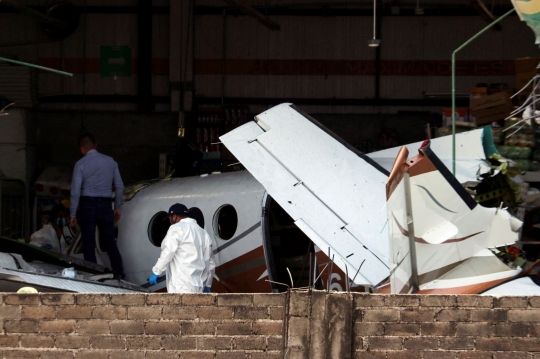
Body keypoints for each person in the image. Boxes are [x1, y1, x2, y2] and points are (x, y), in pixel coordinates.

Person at [69, 132, 125, 278]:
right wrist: (117, 207)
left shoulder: (80, 164)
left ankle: (93, 276)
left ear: (82, 149)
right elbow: (119, 186)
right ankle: (119, 274)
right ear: (96, 146)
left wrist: (73, 214)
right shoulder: (111, 162)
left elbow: (75, 191)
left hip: (87, 205)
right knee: (110, 243)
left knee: (89, 244)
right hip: (106, 205)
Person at [148, 203, 215, 293]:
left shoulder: (176, 228)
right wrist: (207, 284)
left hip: (182, 286)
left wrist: (157, 271)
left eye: (169, 218)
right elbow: (210, 262)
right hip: (199, 286)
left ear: (174, 217)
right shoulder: (204, 233)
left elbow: (168, 252)